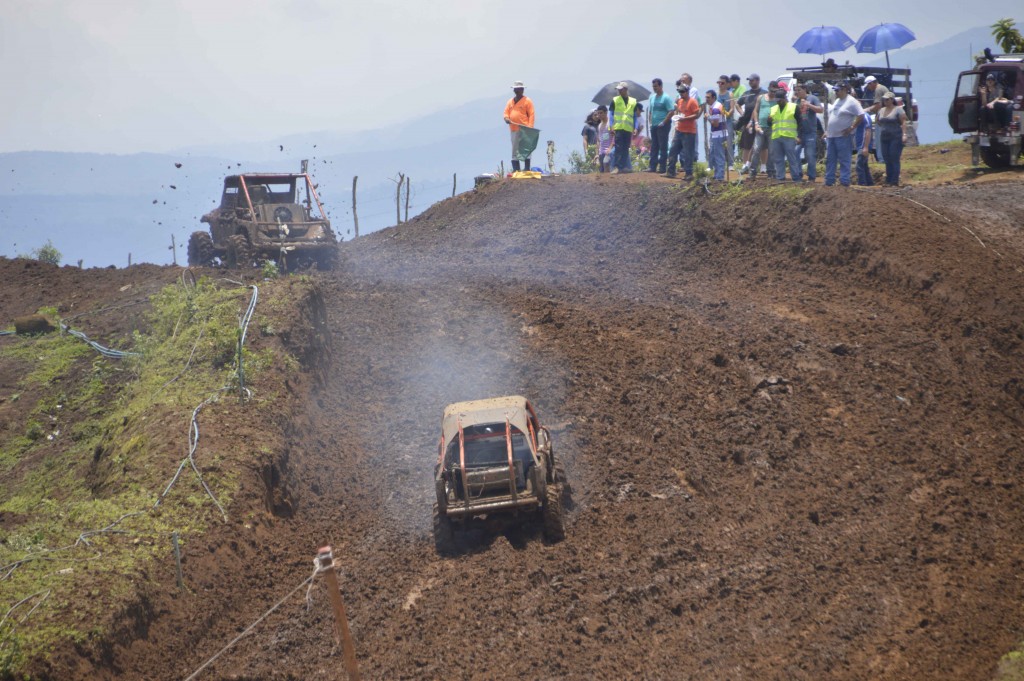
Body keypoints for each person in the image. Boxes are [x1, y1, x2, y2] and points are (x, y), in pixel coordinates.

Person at [824, 81, 864, 187]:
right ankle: (829, 181)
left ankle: (844, 181)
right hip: (832, 136)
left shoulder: (852, 101)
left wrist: (851, 127)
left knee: (844, 159)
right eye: (835, 90)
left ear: (845, 89)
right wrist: (828, 131)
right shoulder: (837, 100)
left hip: (843, 136)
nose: (836, 92)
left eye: (838, 90)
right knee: (830, 159)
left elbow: (861, 115)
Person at [664, 85, 700, 179]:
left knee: (688, 153)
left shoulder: (692, 102)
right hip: (679, 130)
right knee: (673, 150)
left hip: (689, 131)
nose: (681, 94)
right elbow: (678, 112)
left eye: (683, 92)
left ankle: (689, 173)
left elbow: (696, 115)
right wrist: (677, 117)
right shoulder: (680, 101)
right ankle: (670, 171)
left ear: (687, 92)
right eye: (680, 92)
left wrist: (685, 119)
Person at [768, 88, 802, 182]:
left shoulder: (793, 107)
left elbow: (800, 122)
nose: (778, 102)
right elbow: (770, 123)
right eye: (777, 100)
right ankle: (780, 178)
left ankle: (796, 178)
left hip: (789, 137)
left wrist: (798, 136)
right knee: (778, 159)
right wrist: (769, 121)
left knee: (792, 159)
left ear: (784, 98)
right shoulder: (773, 109)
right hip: (776, 137)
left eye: (780, 100)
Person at [875, 91, 908, 186]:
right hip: (884, 137)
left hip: (896, 137)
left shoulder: (898, 109)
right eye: (884, 99)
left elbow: (903, 122)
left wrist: (904, 134)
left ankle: (894, 180)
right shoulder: (881, 110)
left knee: (894, 157)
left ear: (892, 100)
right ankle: (888, 180)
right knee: (886, 158)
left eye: (887, 99)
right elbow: (878, 121)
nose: (885, 101)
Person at [503, 80, 535, 172]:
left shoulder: (527, 101)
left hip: (525, 129)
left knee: (525, 148)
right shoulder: (510, 102)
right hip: (514, 129)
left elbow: (531, 114)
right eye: (515, 89)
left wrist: (530, 127)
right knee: (515, 148)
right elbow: (506, 113)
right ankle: (516, 169)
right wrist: (506, 118)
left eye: (518, 89)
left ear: (522, 90)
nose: (517, 91)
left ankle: (527, 168)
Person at [793, 83, 823, 182]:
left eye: (799, 90)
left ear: (805, 89)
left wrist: (808, 104)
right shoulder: (796, 101)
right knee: (795, 153)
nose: (797, 92)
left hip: (810, 132)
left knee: (809, 155)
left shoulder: (812, 98)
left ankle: (811, 176)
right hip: (799, 133)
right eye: (796, 90)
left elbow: (820, 110)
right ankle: (798, 174)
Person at [748, 81, 776, 180]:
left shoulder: (777, 100)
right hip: (761, 127)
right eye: (771, 90)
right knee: (756, 149)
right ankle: (752, 171)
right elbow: (755, 111)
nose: (773, 92)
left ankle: (771, 171)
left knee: (772, 151)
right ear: (768, 88)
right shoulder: (761, 98)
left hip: (772, 128)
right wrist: (755, 123)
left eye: (775, 90)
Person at [608, 82, 638, 174]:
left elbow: (634, 116)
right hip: (618, 127)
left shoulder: (633, 101)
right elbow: (611, 114)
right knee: (618, 147)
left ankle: (624, 167)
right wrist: (611, 126)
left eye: (621, 89)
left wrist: (635, 127)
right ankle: (617, 167)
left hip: (628, 128)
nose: (619, 91)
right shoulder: (615, 100)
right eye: (618, 89)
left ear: (625, 89)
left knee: (625, 148)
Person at [737, 74, 764, 172]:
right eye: (749, 81)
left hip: (760, 123)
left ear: (757, 81)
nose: (750, 82)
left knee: (762, 146)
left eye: (752, 80)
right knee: (746, 146)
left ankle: (763, 167)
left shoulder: (763, 93)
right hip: (747, 123)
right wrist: (742, 113)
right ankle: (745, 166)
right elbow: (738, 104)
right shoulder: (746, 93)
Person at [647, 78, 675, 173]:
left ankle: (662, 167)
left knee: (663, 145)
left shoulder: (666, 98)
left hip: (663, 125)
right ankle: (652, 166)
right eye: (653, 86)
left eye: (656, 86)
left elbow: (671, 111)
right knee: (654, 145)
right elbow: (651, 110)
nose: (654, 88)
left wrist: (664, 122)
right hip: (654, 125)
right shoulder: (652, 97)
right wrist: (650, 121)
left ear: (660, 86)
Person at [705, 90, 729, 180]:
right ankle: (717, 175)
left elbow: (715, 124)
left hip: (719, 134)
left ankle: (719, 177)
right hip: (718, 134)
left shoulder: (715, 109)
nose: (706, 99)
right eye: (706, 97)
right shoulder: (716, 106)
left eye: (708, 97)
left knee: (719, 156)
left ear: (713, 98)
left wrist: (708, 117)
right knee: (714, 155)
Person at [717, 75, 736, 167]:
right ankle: (720, 162)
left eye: (722, 83)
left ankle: (730, 164)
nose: (720, 85)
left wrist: (727, 114)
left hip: (727, 121)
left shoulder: (730, 94)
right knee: (718, 143)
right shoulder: (716, 94)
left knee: (728, 142)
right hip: (718, 122)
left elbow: (732, 108)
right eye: (719, 83)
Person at [855, 110, 874, 186]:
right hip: (860, 144)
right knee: (864, 165)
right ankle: (869, 183)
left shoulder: (865, 116)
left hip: (863, 145)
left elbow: (868, 130)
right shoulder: (857, 117)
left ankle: (862, 183)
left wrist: (865, 147)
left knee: (859, 165)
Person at [595, 106, 612, 173]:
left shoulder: (610, 123)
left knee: (607, 168)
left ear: (606, 113)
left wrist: (610, 148)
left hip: (609, 152)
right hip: (601, 152)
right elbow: (599, 140)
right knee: (601, 171)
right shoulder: (600, 125)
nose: (599, 115)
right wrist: (597, 154)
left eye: (601, 113)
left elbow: (614, 137)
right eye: (598, 113)